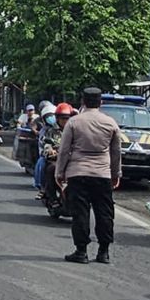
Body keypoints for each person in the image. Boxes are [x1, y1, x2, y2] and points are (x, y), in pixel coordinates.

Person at [56, 87, 122, 264]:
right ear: (101, 102)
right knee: (105, 213)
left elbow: (63, 151)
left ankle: (81, 251)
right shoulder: (110, 123)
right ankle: (104, 252)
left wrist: (60, 173)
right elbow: (116, 153)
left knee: (80, 213)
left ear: (83, 102)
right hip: (102, 174)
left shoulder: (74, 122)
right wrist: (116, 174)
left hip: (78, 173)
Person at [35, 103, 73, 198]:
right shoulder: (50, 131)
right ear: (57, 118)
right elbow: (46, 143)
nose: (65, 121)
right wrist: (50, 150)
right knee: (50, 169)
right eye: (62, 118)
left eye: (67, 118)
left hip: (72, 160)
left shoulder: (75, 130)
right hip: (56, 159)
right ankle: (52, 197)